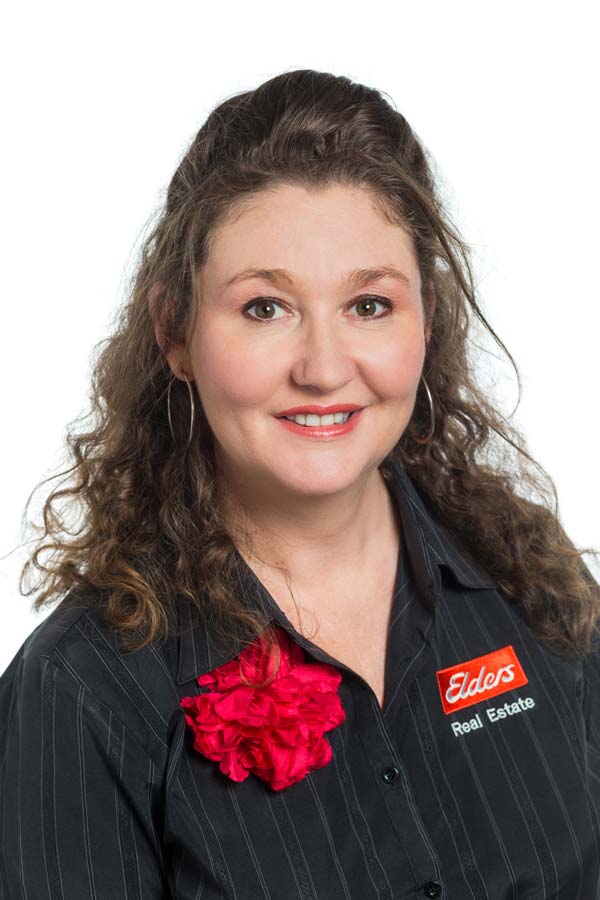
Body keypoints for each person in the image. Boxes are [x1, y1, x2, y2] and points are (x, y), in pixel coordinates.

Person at [1, 68, 599, 900]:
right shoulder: (82, 689)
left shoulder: (529, 577)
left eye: (369, 305)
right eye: (264, 308)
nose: (322, 369)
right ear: (175, 331)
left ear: (428, 318)